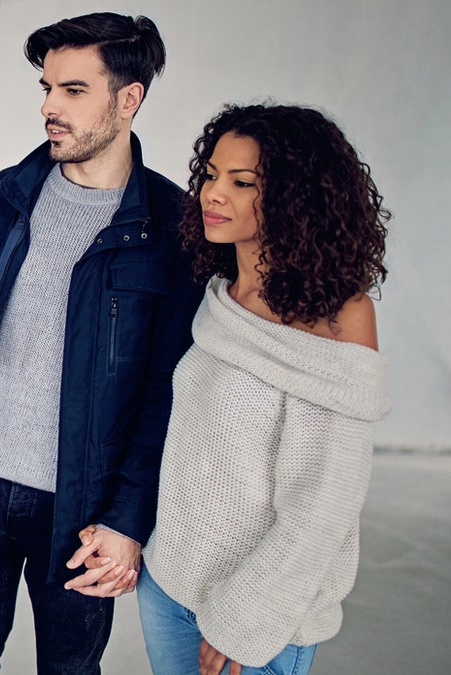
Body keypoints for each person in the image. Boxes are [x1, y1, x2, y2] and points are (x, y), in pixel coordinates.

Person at [0, 12, 203, 674]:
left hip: (82, 507)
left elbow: (164, 397)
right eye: (46, 87)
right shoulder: (6, 195)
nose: (48, 107)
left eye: (73, 90)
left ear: (129, 98)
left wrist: (128, 519)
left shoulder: (173, 230)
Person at [136, 103, 391, 675]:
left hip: (259, 620)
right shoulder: (219, 294)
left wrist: (243, 620)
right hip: (171, 587)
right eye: (211, 174)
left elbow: (327, 501)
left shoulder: (337, 316)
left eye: (242, 181)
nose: (212, 193)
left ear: (297, 198)